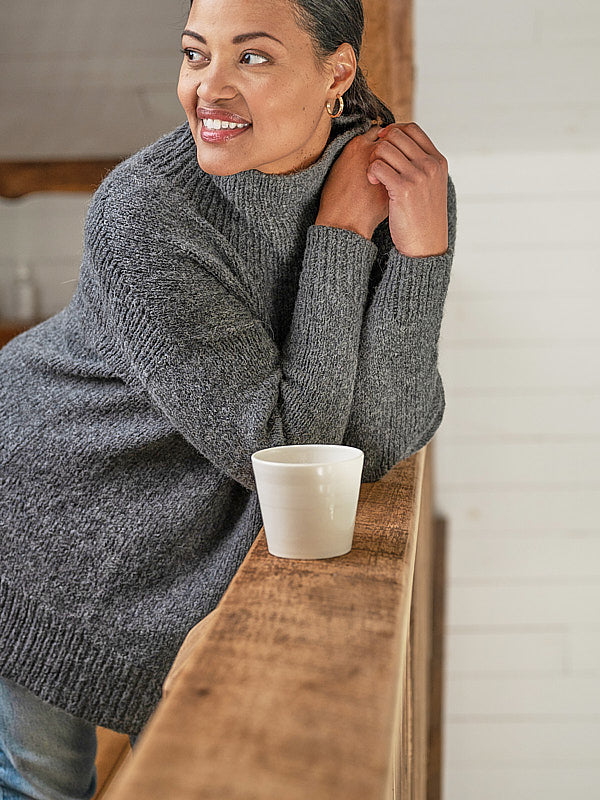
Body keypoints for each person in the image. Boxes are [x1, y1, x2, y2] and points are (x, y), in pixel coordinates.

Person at [0, 0, 456, 795]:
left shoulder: (403, 182)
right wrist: (339, 237)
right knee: (41, 786)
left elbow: (382, 437)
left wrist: (422, 252)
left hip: (186, 521)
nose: (208, 87)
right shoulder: (146, 213)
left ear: (338, 71)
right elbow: (289, 455)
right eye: (194, 53)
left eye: (252, 56)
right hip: (47, 503)